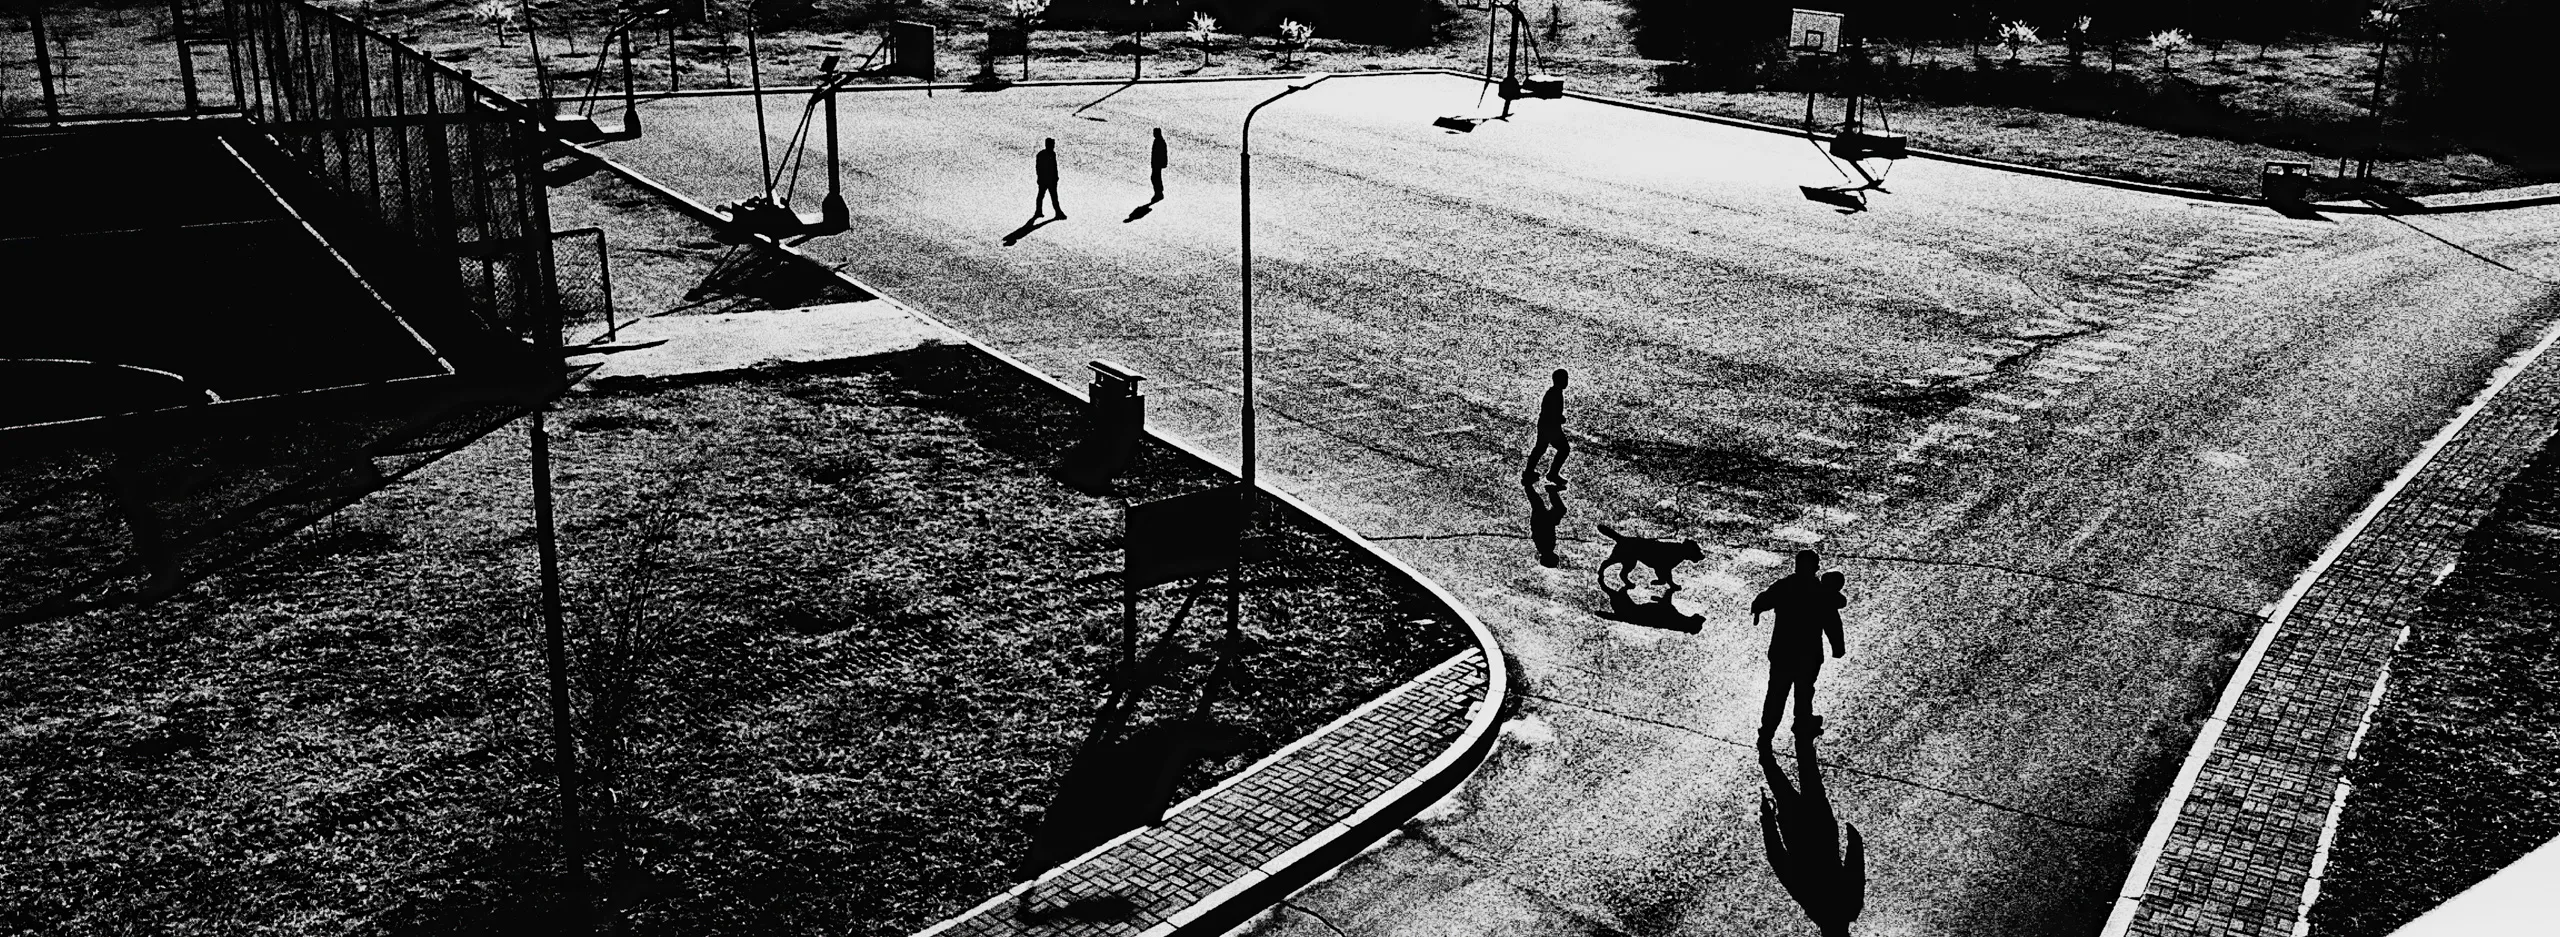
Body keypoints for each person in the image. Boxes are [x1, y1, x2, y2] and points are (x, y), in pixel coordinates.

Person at [1751, 550, 1847, 744]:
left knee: (1776, 693)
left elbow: (1762, 600)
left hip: (1782, 650)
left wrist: (1757, 610)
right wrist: (1837, 647)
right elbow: (1832, 622)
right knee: (1804, 690)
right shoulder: (1821, 593)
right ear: (1814, 567)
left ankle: (1767, 731)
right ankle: (1802, 722)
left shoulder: (1785, 586)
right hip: (1808, 653)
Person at [1523, 369, 1570, 488]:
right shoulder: (1555, 394)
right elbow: (1552, 413)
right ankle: (1552, 474)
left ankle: (1529, 472)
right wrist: (1560, 419)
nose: (1567, 382)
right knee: (1564, 449)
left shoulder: (1553, 392)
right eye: (1565, 379)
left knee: (1540, 448)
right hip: (1551, 427)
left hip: (1545, 425)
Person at [1033, 138, 1065, 220]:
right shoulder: (1045, 154)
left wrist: (1056, 177)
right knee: (1051, 196)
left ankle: (1039, 211)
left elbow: (1054, 167)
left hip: (1048, 179)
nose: (1053, 146)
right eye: (1052, 144)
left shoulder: (1046, 154)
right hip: (1047, 179)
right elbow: (1039, 168)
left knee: (1044, 196)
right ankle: (1057, 212)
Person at [1148, 128, 1169, 203]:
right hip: (1156, 163)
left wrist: (1163, 163)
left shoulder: (1159, 142)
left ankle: (1158, 193)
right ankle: (1158, 192)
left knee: (1155, 177)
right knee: (1155, 177)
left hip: (1157, 164)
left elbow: (1163, 153)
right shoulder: (1158, 141)